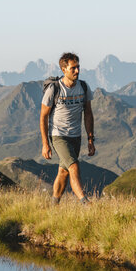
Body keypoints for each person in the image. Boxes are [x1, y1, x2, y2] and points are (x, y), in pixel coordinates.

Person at [39, 52, 96, 204]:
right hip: (58, 135)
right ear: (64, 69)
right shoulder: (54, 89)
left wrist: (90, 139)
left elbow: (88, 114)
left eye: (78, 67)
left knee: (63, 172)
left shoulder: (83, 87)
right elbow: (43, 116)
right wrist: (45, 144)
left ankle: (53, 204)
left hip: (76, 136)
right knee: (73, 166)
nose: (77, 71)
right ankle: (85, 202)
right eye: (73, 68)